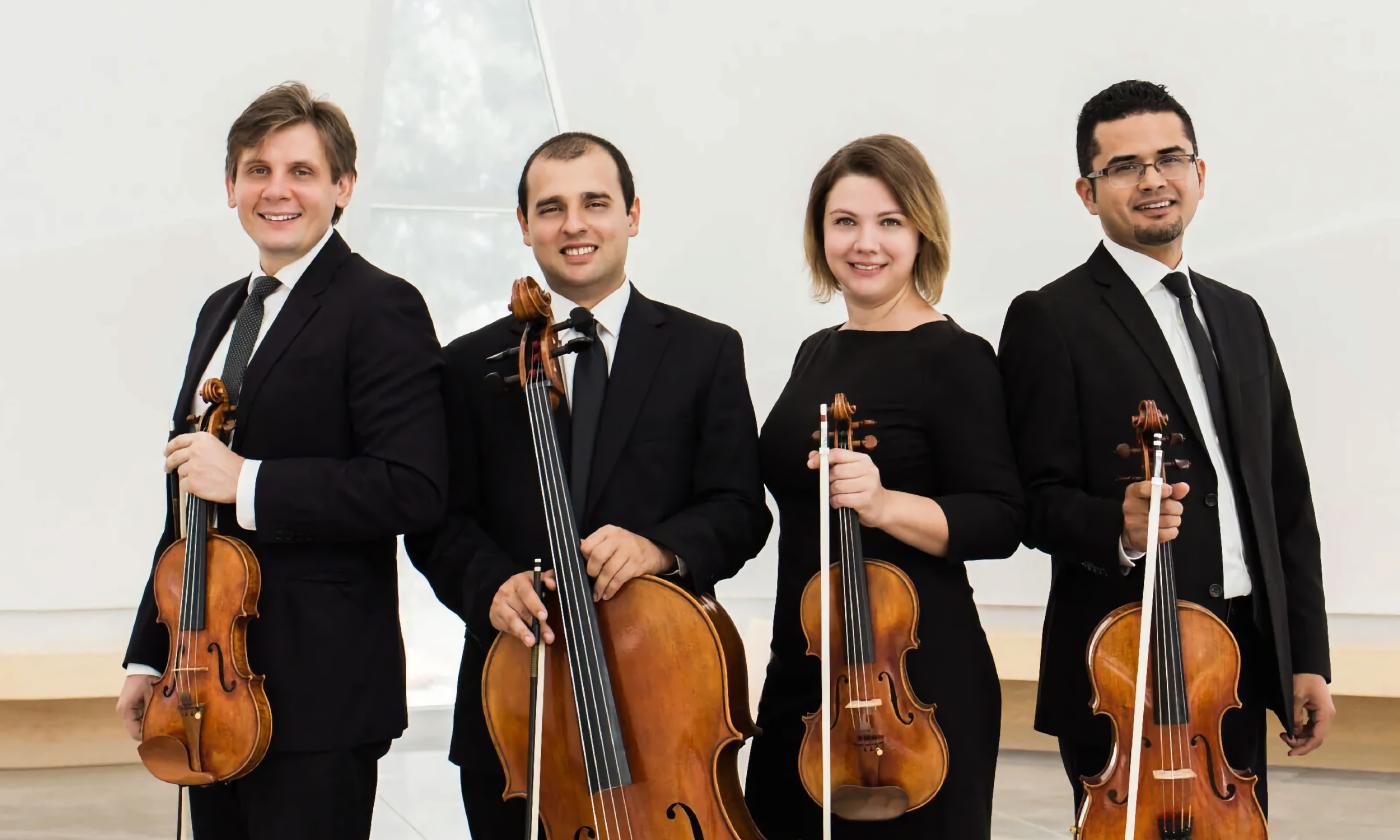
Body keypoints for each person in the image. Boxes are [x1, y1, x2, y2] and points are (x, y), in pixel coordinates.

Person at [405, 131, 772, 836]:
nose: (574, 224)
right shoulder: (467, 364)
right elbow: (438, 521)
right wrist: (490, 587)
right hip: (516, 708)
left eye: (595, 203)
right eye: (551, 208)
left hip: (660, 700)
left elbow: (739, 508)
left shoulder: (705, 350)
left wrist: (660, 550)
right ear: (524, 227)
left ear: (633, 214)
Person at [115, 81, 447, 840]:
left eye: (302, 171)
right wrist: (149, 656)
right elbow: (187, 505)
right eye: (258, 169)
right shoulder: (223, 308)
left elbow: (413, 488)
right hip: (202, 687)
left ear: (343, 187)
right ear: (231, 186)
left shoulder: (381, 306)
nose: (278, 190)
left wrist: (251, 481)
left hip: (318, 693)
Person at [997, 79, 1335, 817]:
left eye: (1169, 158)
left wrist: (1305, 656)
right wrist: (1114, 528)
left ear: (1199, 174)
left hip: (1239, 660)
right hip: (1125, 666)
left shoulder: (1239, 315)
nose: (1151, 180)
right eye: (1123, 166)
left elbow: (1285, 499)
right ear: (1087, 193)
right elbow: (1032, 502)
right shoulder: (1048, 319)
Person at [743, 134, 1024, 838]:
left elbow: (999, 520)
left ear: (921, 231)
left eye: (889, 222)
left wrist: (883, 503)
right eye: (845, 222)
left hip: (915, 687)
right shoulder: (817, 351)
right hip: (806, 671)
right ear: (821, 234)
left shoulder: (958, 357)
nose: (865, 243)